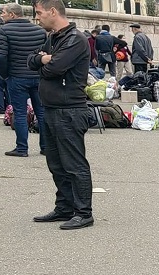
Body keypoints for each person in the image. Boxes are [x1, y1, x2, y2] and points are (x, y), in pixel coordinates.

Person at [28, 0, 93, 230]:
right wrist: (42, 59)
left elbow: (53, 69)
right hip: (52, 108)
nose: (37, 17)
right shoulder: (54, 37)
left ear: (53, 11)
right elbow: (31, 60)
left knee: (74, 164)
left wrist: (45, 62)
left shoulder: (75, 39)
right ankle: (64, 207)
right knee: (56, 164)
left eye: (39, 13)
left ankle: (83, 212)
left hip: (69, 110)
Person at [0, 2, 47, 157]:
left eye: (3, 12)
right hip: (37, 76)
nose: (1, 15)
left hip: (17, 77)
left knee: (20, 113)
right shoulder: (39, 30)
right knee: (41, 112)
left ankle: (22, 148)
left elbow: (0, 55)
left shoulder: (4, 31)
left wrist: (5, 74)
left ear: (12, 14)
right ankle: (46, 147)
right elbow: (45, 52)